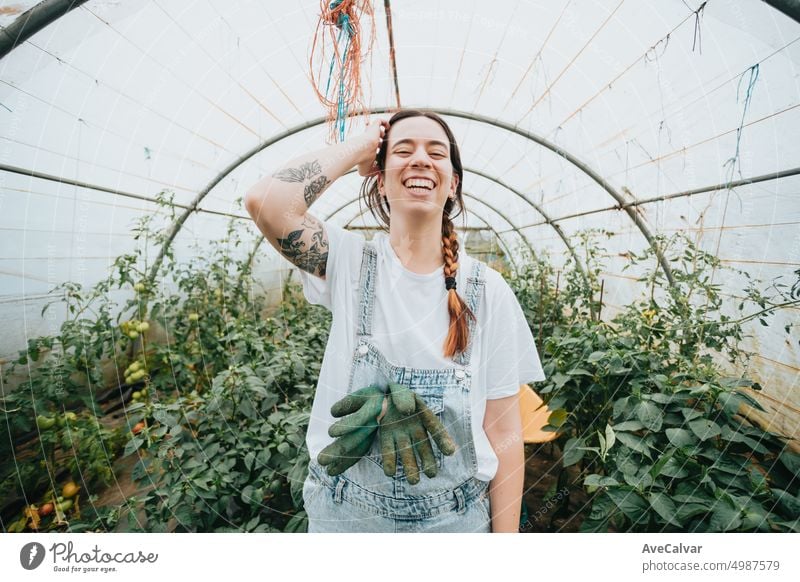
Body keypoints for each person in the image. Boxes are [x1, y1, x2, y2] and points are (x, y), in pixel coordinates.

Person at [244, 109, 545, 533]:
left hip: (455, 524)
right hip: (348, 519)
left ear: (453, 183)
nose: (421, 159)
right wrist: (359, 148)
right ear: (380, 180)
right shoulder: (350, 263)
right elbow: (266, 201)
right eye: (403, 151)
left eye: (436, 153)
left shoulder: (487, 290)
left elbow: (504, 434)